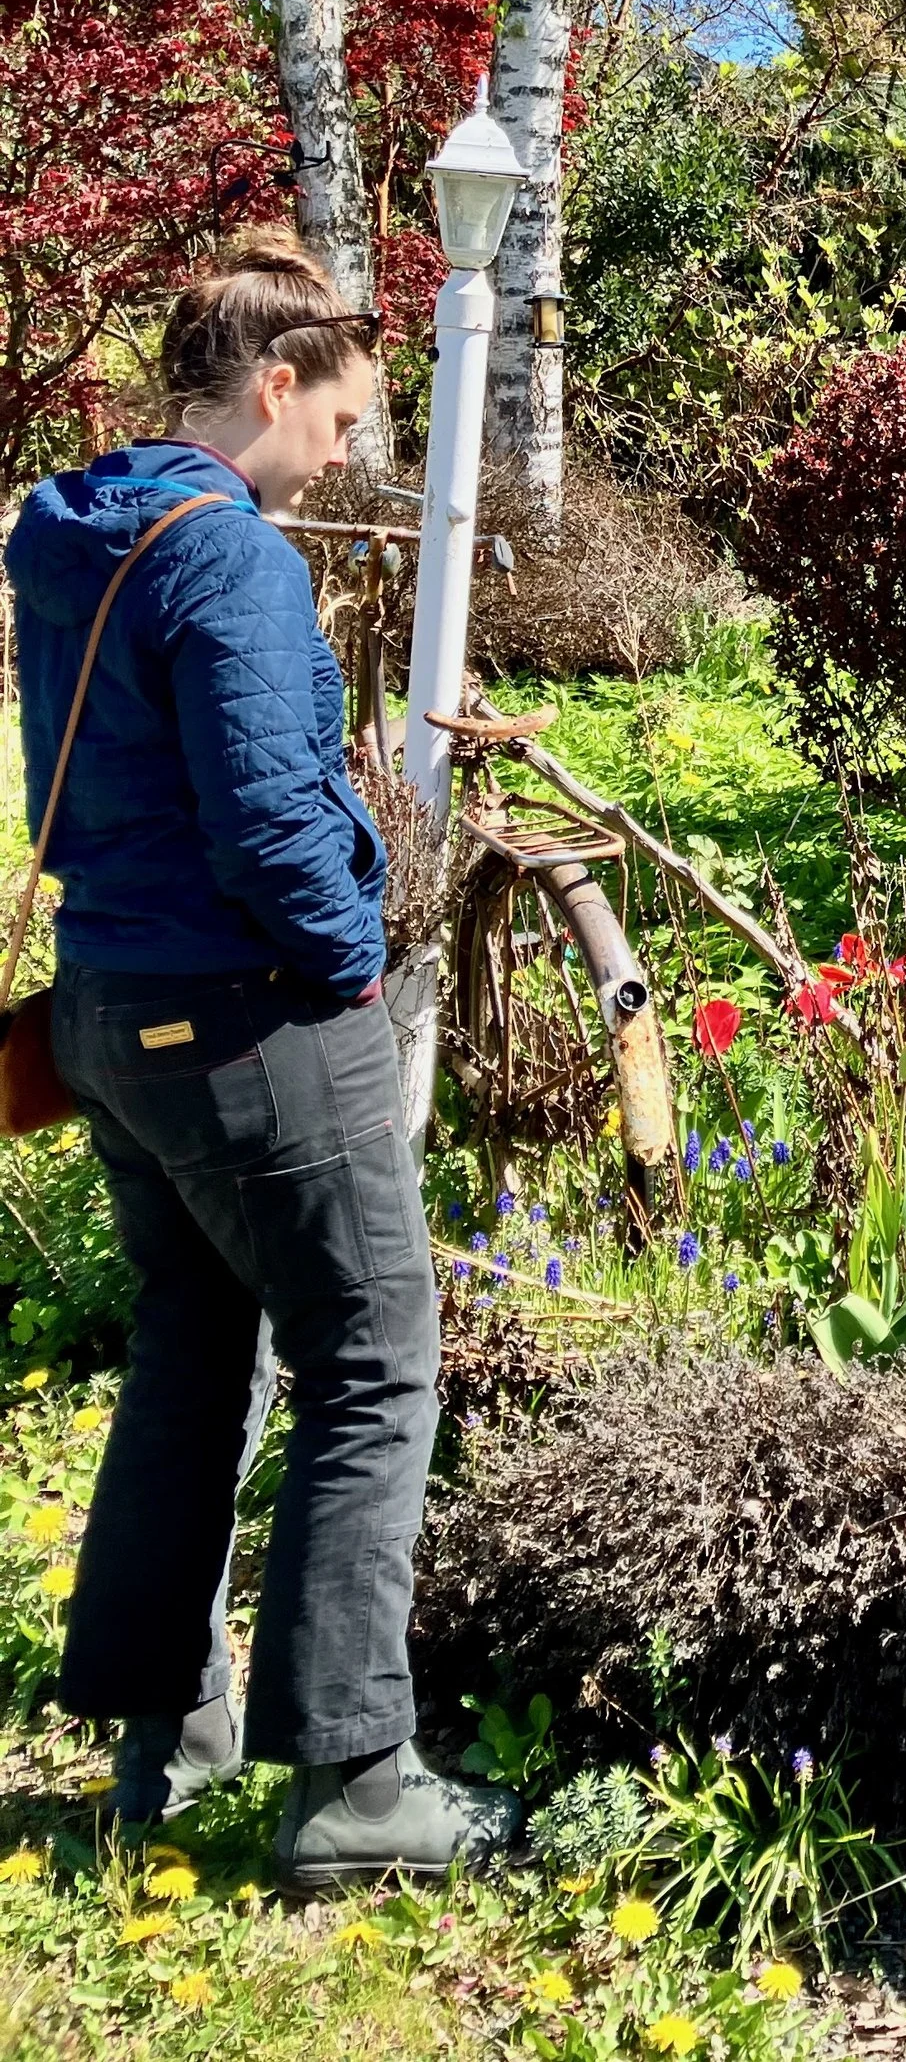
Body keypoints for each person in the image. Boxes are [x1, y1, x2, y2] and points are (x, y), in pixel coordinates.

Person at [5, 230, 515, 1886]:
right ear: (275, 386)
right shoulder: (228, 555)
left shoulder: (71, 530)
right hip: (247, 1015)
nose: (356, 454)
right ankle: (360, 1785)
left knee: (193, 1345)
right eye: (353, 423)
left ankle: (165, 1737)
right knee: (374, 1358)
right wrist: (353, 954)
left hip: (110, 1014)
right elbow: (266, 811)